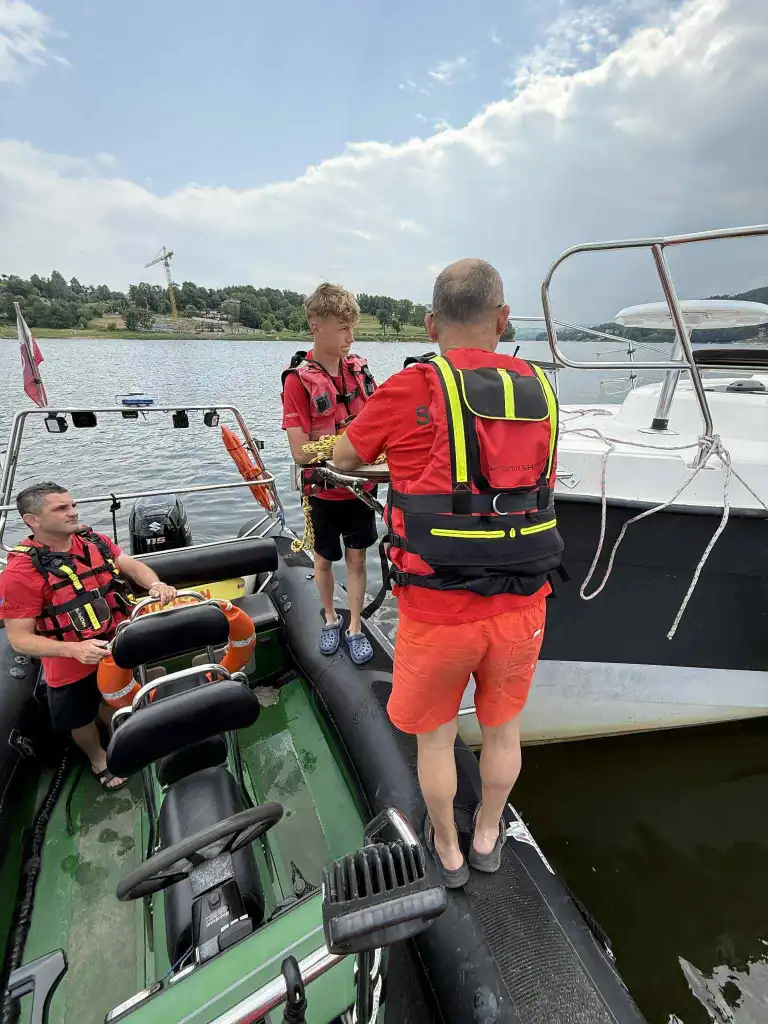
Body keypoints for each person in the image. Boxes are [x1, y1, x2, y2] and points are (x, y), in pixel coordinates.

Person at [333, 259, 563, 887]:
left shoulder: (411, 388)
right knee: (502, 730)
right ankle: (488, 834)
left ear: (431, 323)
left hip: (437, 610)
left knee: (434, 741)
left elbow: (350, 455)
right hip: (523, 604)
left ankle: (448, 850)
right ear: (503, 319)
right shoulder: (541, 391)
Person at [0, 482, 177, 790]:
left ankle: (130, 735)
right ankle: (99, 759)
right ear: (32, 521)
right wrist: (75, 650)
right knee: (80, 719)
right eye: (61, 508)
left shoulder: (93, 541)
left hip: (117, 643)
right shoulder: (19, 573)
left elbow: (132, 566)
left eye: (72, 505)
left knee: (117, 698)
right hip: (70, 662)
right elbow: (20, 639)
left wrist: (155, 584)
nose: (73, 512)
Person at [281, 283, 378, 665]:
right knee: (322, 561)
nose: (350, 338)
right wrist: (345, 447)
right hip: (322, 494)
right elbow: (299, 451)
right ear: (316, 326)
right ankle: (330, 617)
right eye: (342, 328)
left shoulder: (360, 373)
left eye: (352, 329)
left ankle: (354, 625)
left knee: (357, 561)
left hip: (360, 491)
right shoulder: (296, 382)